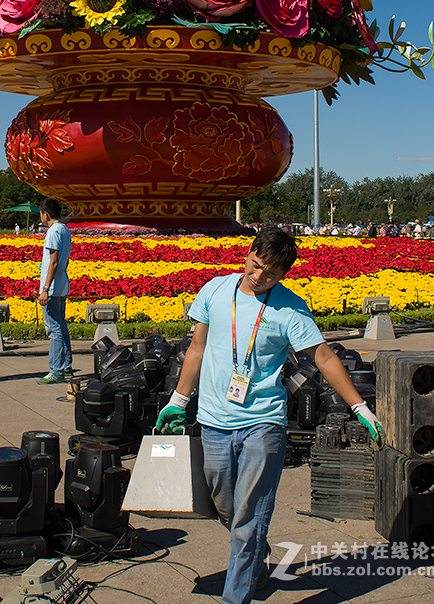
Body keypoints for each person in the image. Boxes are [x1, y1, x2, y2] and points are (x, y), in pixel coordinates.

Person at [156, 226, 385, 604]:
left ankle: (236, 596)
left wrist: (359, 406)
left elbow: (323, 357)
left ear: (283, 275)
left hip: (263, 423)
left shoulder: (290, 308)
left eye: (270, 273)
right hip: (213, 421)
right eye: (256, 264)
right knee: (224, 505)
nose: (258, 276)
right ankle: (255, 555)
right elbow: (196, 348)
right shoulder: (215, 290)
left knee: (248, 517)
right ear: (248, 254)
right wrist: (178, 401)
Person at [37, 197, 72, 384]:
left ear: (46, 214)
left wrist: (45, 288)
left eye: (41, 214)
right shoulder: (65, 230)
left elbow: (54, 262)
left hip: (52, 288)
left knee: (54, 329)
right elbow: (64, 261)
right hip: (62, 285)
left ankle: (56, 369)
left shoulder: (52, 232)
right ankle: (66, 367)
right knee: (61, 327)